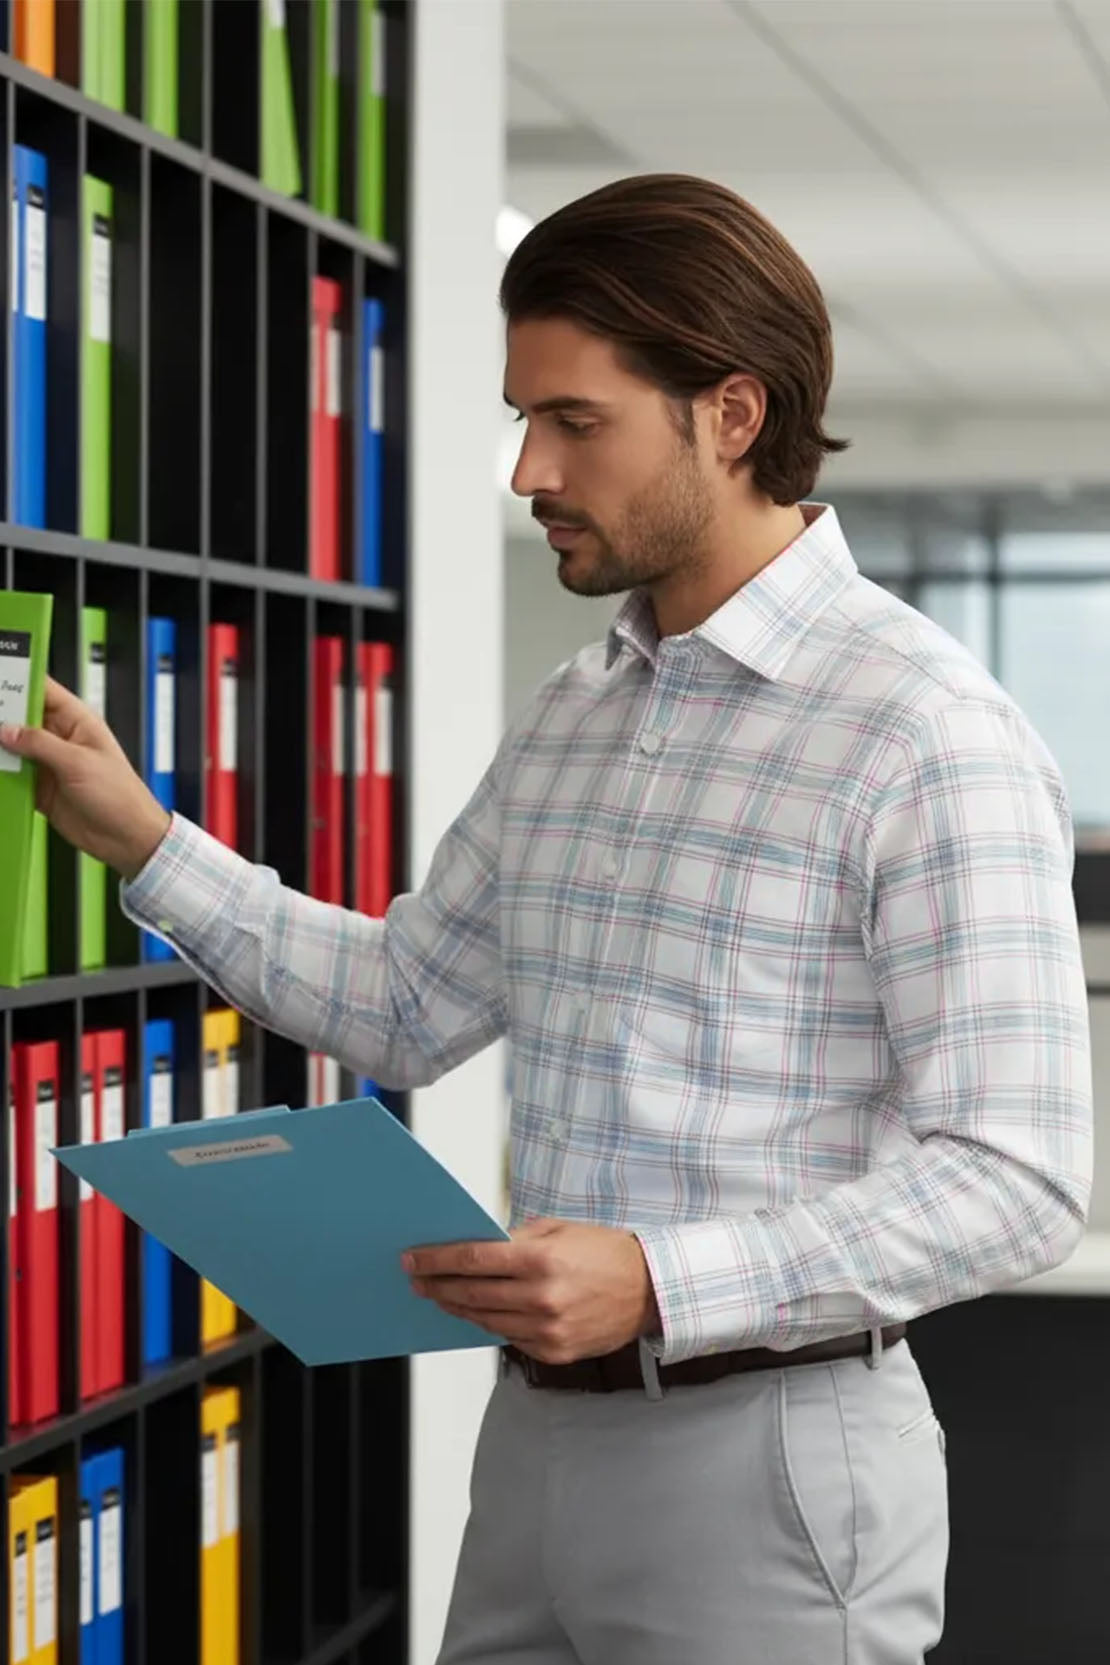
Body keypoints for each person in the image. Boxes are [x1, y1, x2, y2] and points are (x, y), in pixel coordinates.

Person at [1, 173, 1092, 1665]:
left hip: (770, 1457)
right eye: (524, 418)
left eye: (574, 421)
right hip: (534, 1442)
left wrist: (657, 1280)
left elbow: (1015, 1170)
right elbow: (405, 1000)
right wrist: (148, 838)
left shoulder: (921, 730)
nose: (528, 468)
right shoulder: (576, 712)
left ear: (729, 412)